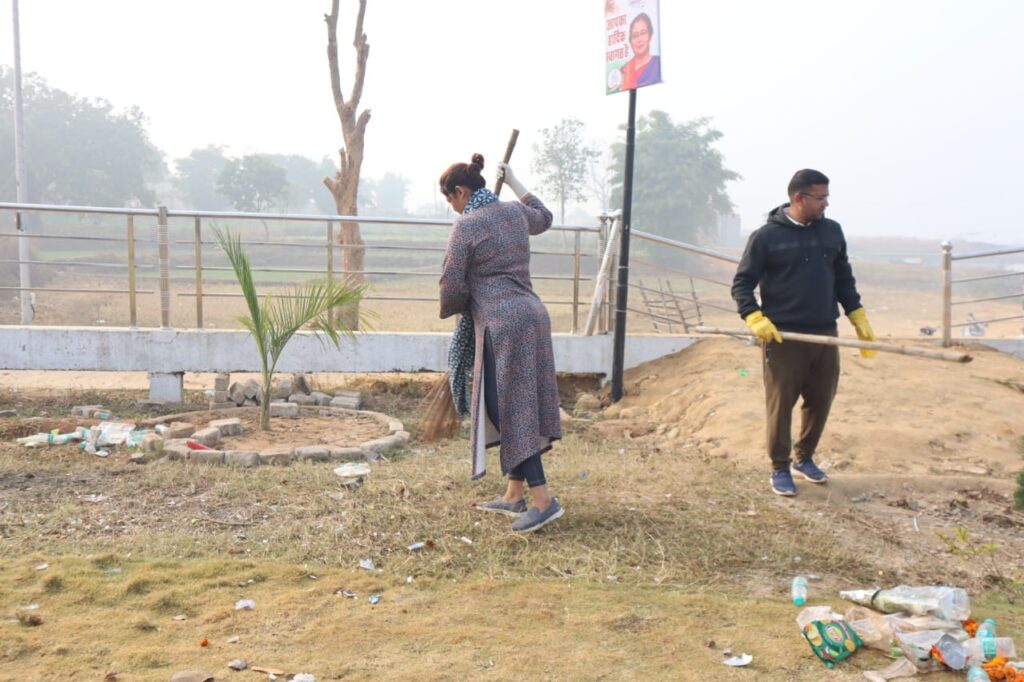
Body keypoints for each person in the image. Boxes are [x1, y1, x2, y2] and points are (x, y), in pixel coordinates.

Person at [438, 153, 564, 532]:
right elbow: (543, 216)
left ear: (461, 192)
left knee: (508, 408)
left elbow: (451, 283)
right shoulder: (513, 213)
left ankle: (542, 500)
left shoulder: (467, 226)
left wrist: (457, 309)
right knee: (521, 404)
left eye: (450, 200)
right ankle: (514, 494)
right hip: (533, 316)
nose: (452, 208)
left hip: (502, 324)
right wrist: (513, 182)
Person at [731, 169, 877, 496]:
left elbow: (843, 278)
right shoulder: (766, 237)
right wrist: (754, 317)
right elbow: (742, 283)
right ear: (799, 198)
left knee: (821, 399)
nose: (826, 203)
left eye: (826, 197)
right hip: (784, 336)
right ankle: (779, 467)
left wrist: (857, 315)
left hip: (825, 331)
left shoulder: (832, 232)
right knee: (781, 404)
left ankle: (804, 457)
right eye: (820, 197)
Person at [620, 12, 661, 90]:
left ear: (650, 35)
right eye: (635, 36)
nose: (639, 40)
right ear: (630, 41)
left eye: (643, 33)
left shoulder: (657, 64)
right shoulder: (625, 70)